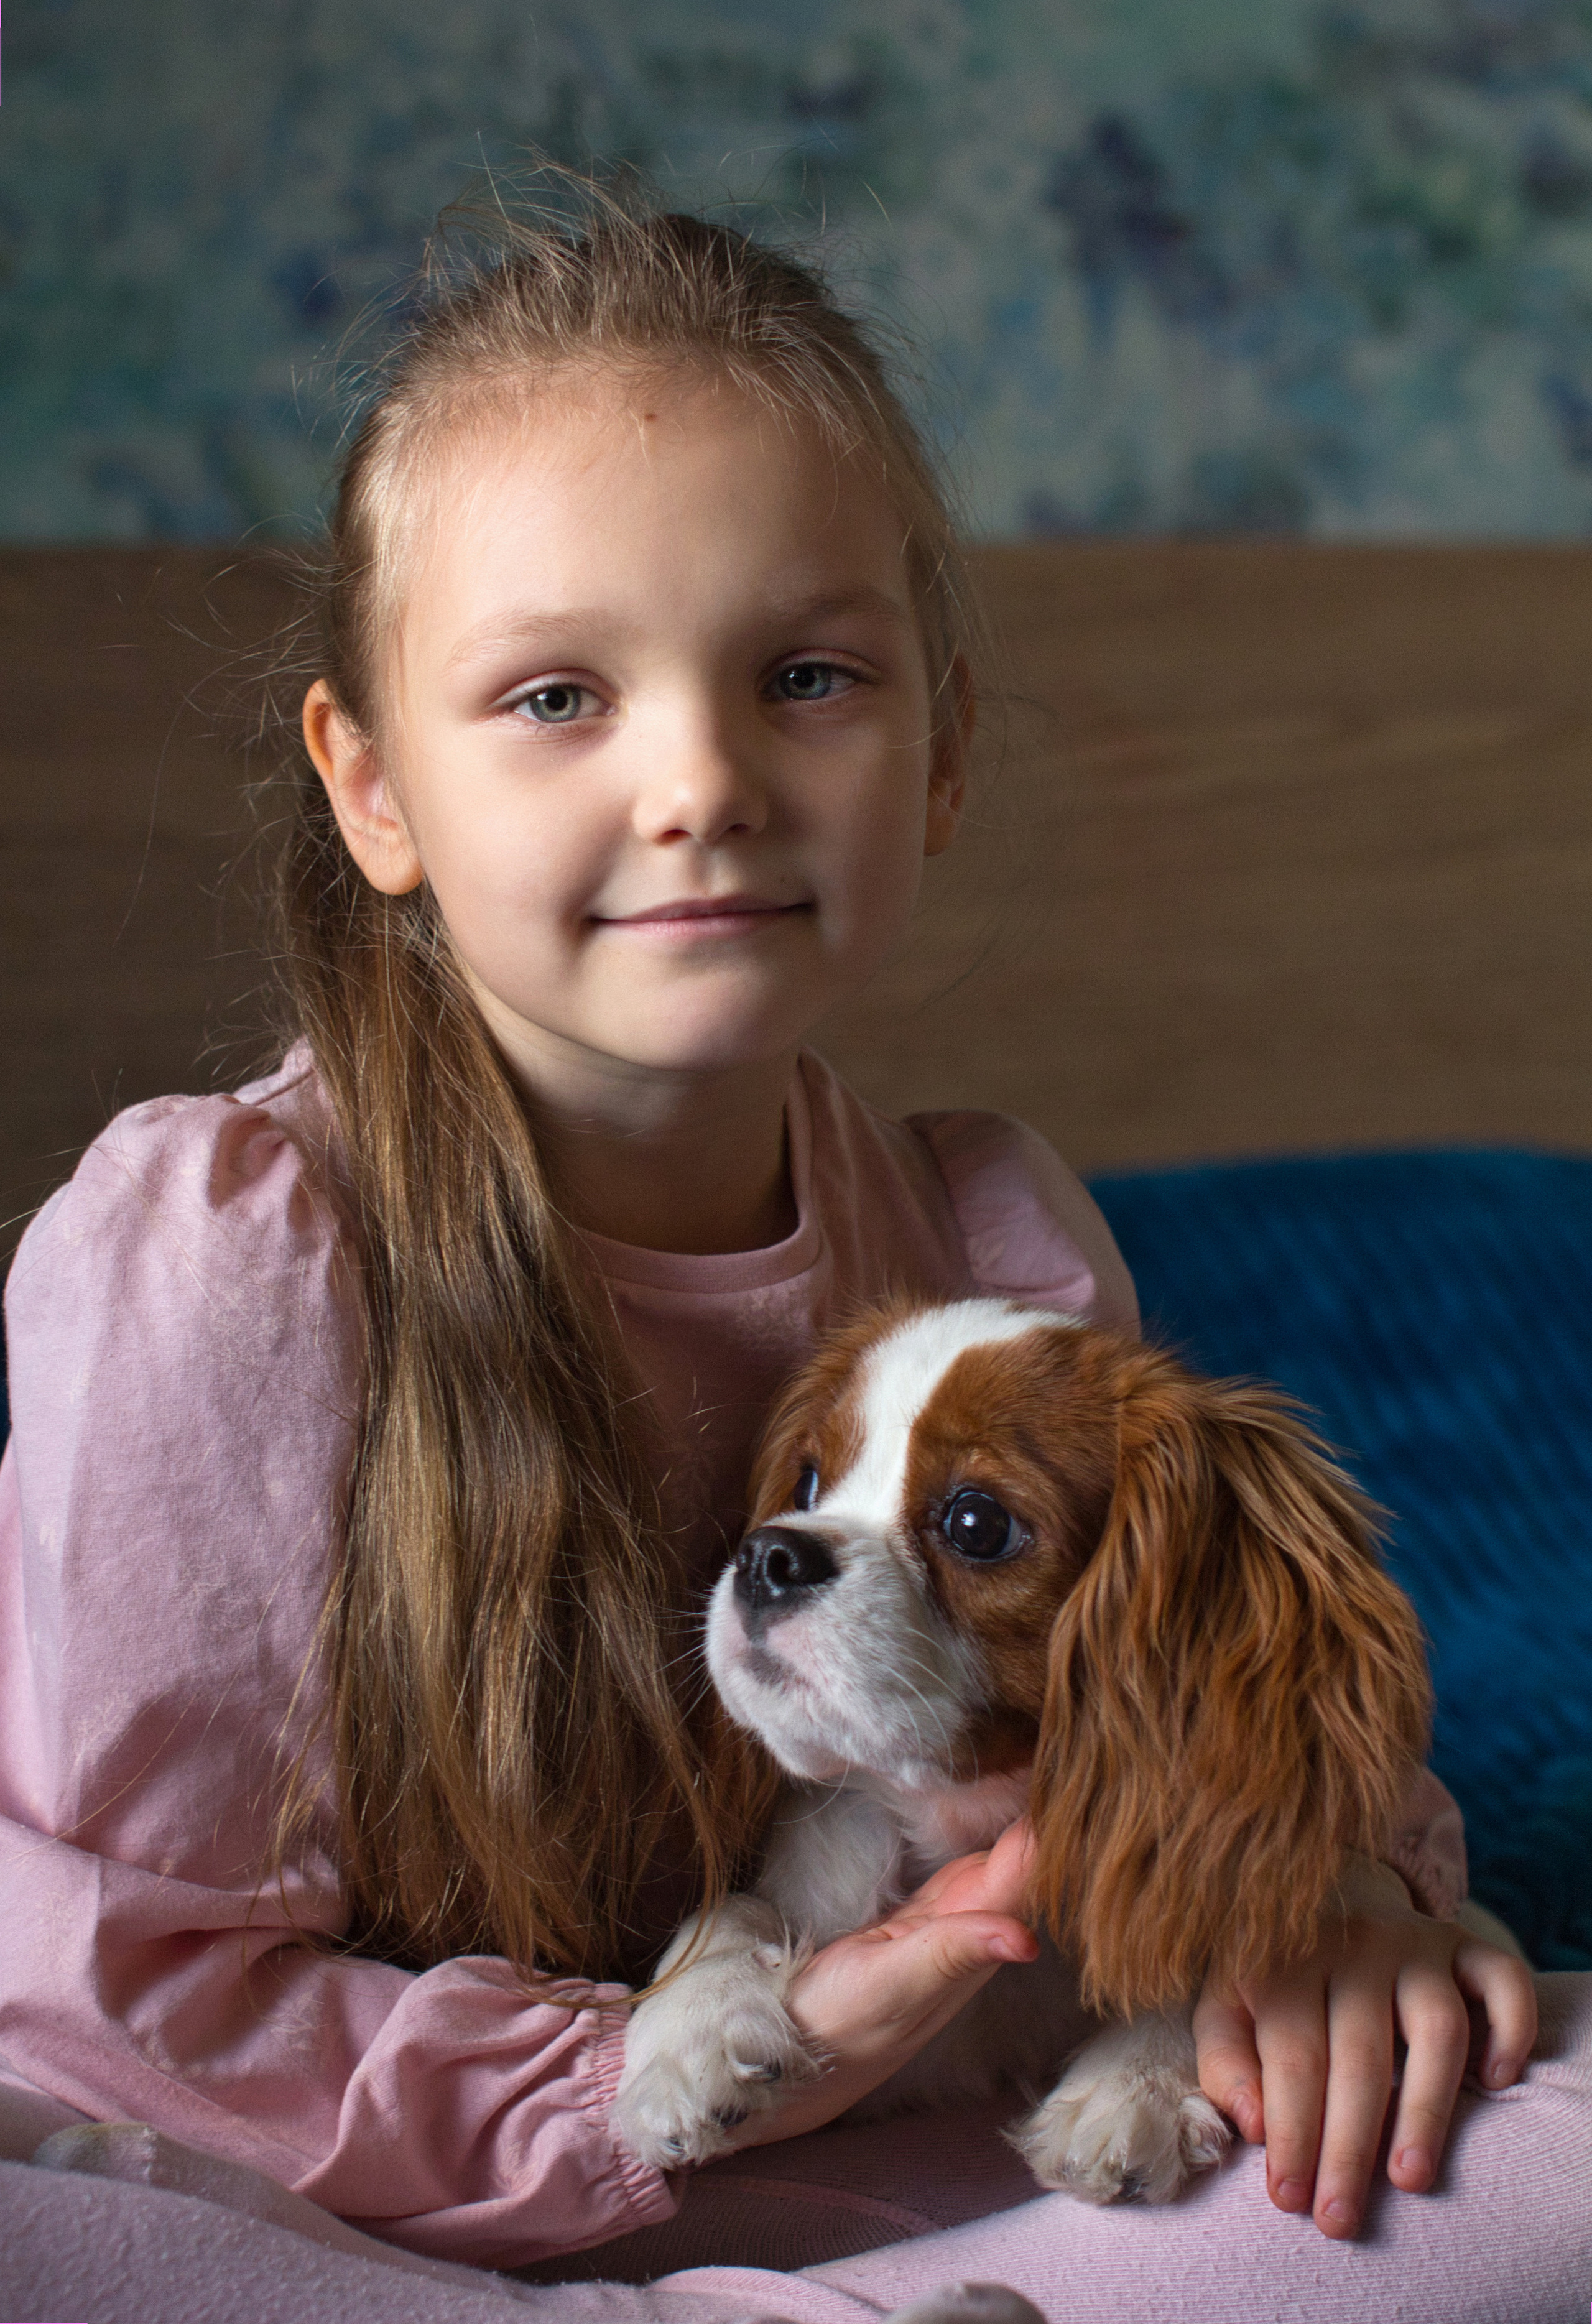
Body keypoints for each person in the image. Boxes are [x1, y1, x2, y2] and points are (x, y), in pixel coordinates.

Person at [1, 182, 1587, 2323]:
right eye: (558, 695)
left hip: (935, 2172)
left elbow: (1221, 1733)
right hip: (352, 2202)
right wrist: (718, 2072)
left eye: (808, 675)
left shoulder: (982, 1240)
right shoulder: (228, 1254)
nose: (705, 781)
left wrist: (1345, 1922)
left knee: (1544, 2112)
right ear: (372, 787)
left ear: (938, 752)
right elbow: (115, 2015)